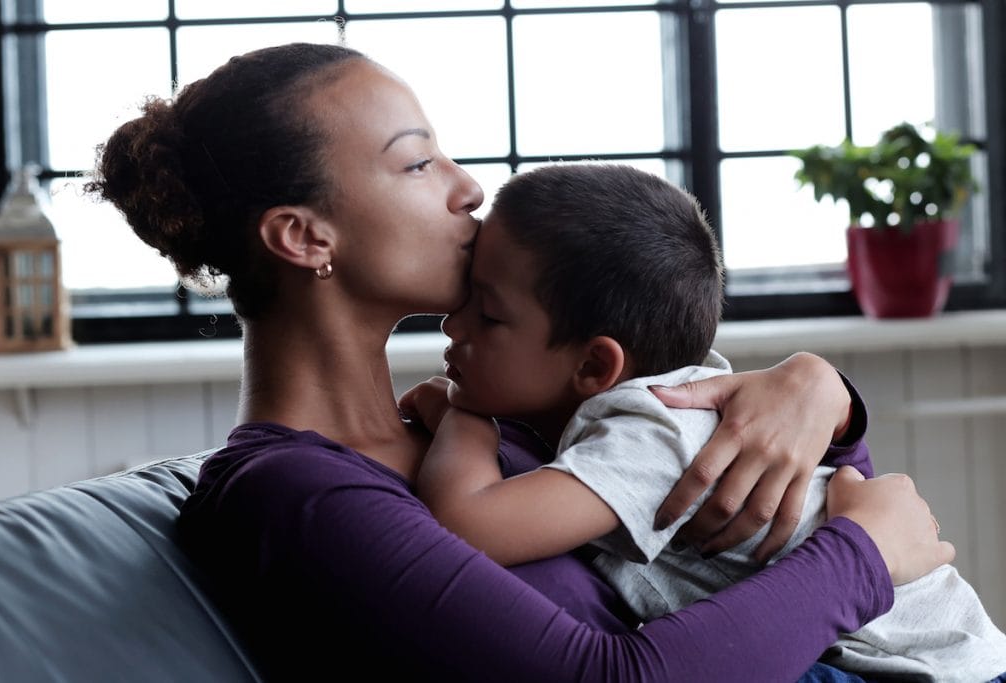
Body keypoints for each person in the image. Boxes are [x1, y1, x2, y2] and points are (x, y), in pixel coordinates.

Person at [83, 42, 951, 681]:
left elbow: (758, 523)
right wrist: (862, 556)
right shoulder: (296, 493)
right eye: (417, 161)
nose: (467, 188)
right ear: (306, 237)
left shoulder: (493, 421)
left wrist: (818, 392)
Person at [400, 163, 1006, 683]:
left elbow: (467, 528)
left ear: (593, 363)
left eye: (489, 315)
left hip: (925, 669)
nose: (455, 328)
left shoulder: (651, 430)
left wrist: (462, 416)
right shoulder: (651, 406)